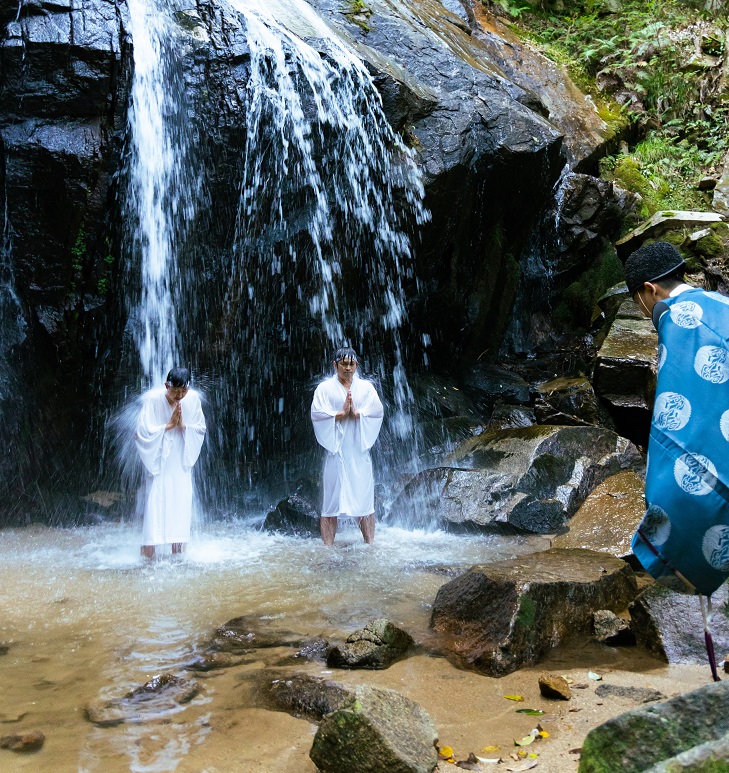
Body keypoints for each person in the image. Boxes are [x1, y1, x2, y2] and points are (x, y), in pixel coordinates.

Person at [625, 241, 729, 679]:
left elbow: (681, 414)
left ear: (650, 291)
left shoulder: (677, 318)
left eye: (637, 303)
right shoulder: (720, 303)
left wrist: (664, 492)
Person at [310, 347, 384, 545]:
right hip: (336, 453)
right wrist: (341, 414)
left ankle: (370, 544)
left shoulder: (366, 388)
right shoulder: (324, 389)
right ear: (335, 365)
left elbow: (377, 412)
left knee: (366, 503)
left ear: (356, 365)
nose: (348, 368)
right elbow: (317, 414)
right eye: (344, 364)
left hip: (359, 453)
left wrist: (358, 414)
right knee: (330, 504)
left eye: (352, 364)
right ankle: (327, 548)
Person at [134, 367, 206, 559]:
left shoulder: (192, 400)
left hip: (180, 462)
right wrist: (168, 426)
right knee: (154, 509)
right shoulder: (153, 400)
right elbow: (141, 433)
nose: (179, 395)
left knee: (180, 507)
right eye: (175, 391)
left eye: (183, 391)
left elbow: (200, 429)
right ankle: (147, 559)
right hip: (159, 463)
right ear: (166, 385)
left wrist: (183, 426)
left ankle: (178, 559)